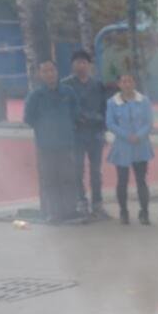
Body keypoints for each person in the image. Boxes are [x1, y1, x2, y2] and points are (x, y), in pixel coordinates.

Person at [23, 60, 82, 222]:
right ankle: (53, 212)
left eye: (52, 70)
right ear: (39, 75)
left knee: (68, 178)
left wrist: (66, 126)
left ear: (57, 72)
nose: (49, 74)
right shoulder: (35, 95)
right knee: (49, 180)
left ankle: (70, 210)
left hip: (66, 144)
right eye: (45, 71)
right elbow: (28, 118)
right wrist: (44, 128)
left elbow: (76, 114)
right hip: (45, 145)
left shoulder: (68, 92)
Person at [62, 49, 108, 217]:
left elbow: (104, 108)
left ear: (89, 65)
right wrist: (81, 118)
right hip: (76, 134)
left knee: (96, 171)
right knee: (77, 169)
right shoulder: (66, 85)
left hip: (95, 134)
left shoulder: (97, 85)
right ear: (72, 65)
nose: (81, 65)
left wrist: (102, 126)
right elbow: (66, 109)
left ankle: (97, 204)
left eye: (84, 62)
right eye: (77, 62)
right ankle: (81, 202)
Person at [106, 73, 155, 225]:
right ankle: (123, 211)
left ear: (134, 83)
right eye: (123, 81)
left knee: (141, 180)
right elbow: (110, 123)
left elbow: (149, 122)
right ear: (119, 84)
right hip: (122, 146)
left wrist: (139, 135)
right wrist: (127, 136)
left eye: (130, 80)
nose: (127, 84)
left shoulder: (144, 101)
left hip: (140, 145)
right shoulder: (112, 102)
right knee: (122, 180)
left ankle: (144, 212)